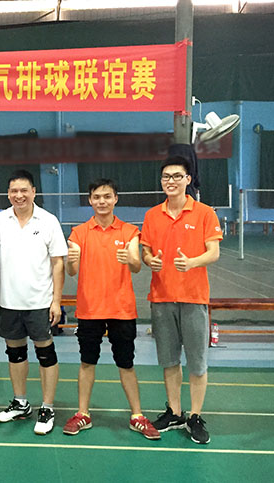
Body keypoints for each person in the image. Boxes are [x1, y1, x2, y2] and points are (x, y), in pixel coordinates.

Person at [62, 179, 160, 440]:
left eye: (107, 196)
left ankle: (137, 416)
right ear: (90, 200)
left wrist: (131, 259)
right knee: (87, 362)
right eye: (96, 197)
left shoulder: (129, 231)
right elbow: (72, 270)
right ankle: (83, 414)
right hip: (89, 309)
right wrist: (71, 262)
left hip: (121, 310)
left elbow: (136, 265)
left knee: (126, 364)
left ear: (116, 198)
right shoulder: (79, 232)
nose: (102, 201)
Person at [0, 169, 66, 435]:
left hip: (40, 302)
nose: (19, 195)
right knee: (15, 353)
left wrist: (56, 301)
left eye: (24, 190)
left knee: (46, 353)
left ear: (34, 192)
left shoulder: (48, 221)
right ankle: (21, 403)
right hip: (10, 302)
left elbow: (58, 263)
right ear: (8, 194)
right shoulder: (1, 219)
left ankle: (47, 407)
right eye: (14, 191)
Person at [142, 156, 222, 444]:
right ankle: (175, 412)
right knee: (169, 360)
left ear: (188, 180)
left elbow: (213, 252)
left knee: (197, 363)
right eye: (166, 176)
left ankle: (195, 416)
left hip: (193, 298)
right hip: (162, 297)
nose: (171, 181)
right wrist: (149, 260)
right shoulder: (152, 215)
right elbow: (146, 251)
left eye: (177, 176)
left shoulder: (204, 213)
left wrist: (192, 263)